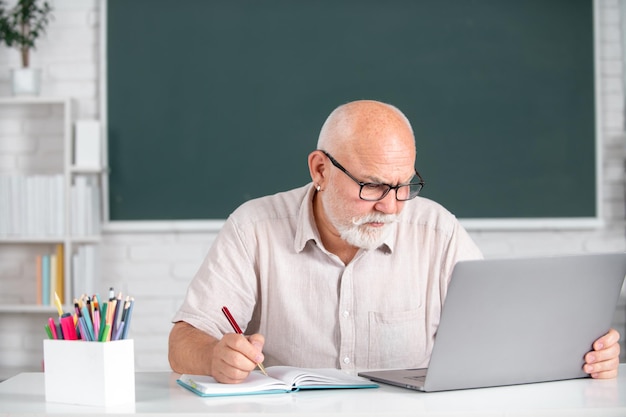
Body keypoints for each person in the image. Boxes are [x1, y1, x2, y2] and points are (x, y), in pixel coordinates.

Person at [168, 100, 621, 383]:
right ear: (320, 170)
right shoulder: (254, 227)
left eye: (405, 186)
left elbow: (503, 340)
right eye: (373, 187)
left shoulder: (437, 232)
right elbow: (183, 341)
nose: (393, 207)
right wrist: (213, 355)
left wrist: (584, 356)